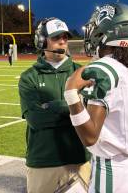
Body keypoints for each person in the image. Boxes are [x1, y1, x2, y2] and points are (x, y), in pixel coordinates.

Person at [64, 3, 128, 192]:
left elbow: (90, 137)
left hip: (111, 168)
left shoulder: (105, 70)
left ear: (108, 31)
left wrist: (71, 93)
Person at [18, 17, 90, 193]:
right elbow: (36, 119)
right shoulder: (29, 77)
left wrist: (51, 107)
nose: (63, 42)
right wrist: (73, 106)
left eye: (65, 37)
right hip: (42, 161)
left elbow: (90, 115)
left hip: (78, 159)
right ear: (41, 41)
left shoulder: (83, 72)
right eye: (56, 37)